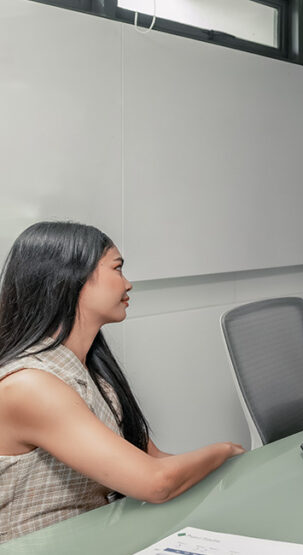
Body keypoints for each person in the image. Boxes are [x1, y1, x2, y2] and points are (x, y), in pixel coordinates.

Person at [0, 222, 244, 543]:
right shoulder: (31, 385)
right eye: (118, 268)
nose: (128, 284)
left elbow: (152, 459)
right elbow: (156, 482)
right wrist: (224, 451)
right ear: (71, 278)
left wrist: (227, 469)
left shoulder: (91, 370)